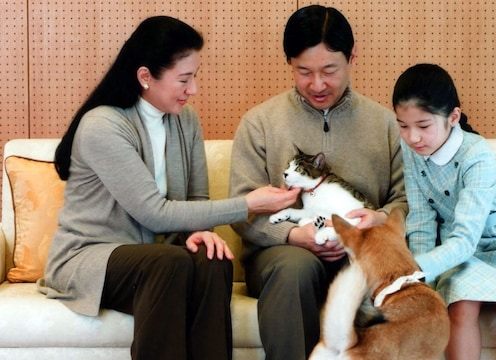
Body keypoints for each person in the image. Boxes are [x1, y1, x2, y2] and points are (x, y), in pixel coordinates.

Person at [36, 16, 300, 360]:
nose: (193, 90)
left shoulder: (185, 119)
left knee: (213, 259)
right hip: (92, 257)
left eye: (195, 77)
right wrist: (248, 204)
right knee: (168, 262)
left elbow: (196, 200)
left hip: (160, 258)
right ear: (145, 77)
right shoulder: (103, 125)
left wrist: (199, 232)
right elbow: (154, 214)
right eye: (184, 79)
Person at [227, 5, 407, 359]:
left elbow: (405, 199)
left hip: (362, 250)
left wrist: (379, 220)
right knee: (294, 269)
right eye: (303, 72)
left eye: (329, 70)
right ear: (289, 63)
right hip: (283, 257)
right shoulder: (260, 122)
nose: (317, 85)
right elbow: (241, 208)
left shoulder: (385, 125)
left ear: (352, 58)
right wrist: (294, 235)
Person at [392, 63, 496, 360]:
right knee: (459, 307)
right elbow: (421, 220)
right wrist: (424, 285)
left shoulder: (477, 155)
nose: (413, 137)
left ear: (453, 117)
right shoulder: (412, 150)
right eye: (403, 126)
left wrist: (416, 269)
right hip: (461, 253)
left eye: (423, 126)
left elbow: (465, 240)